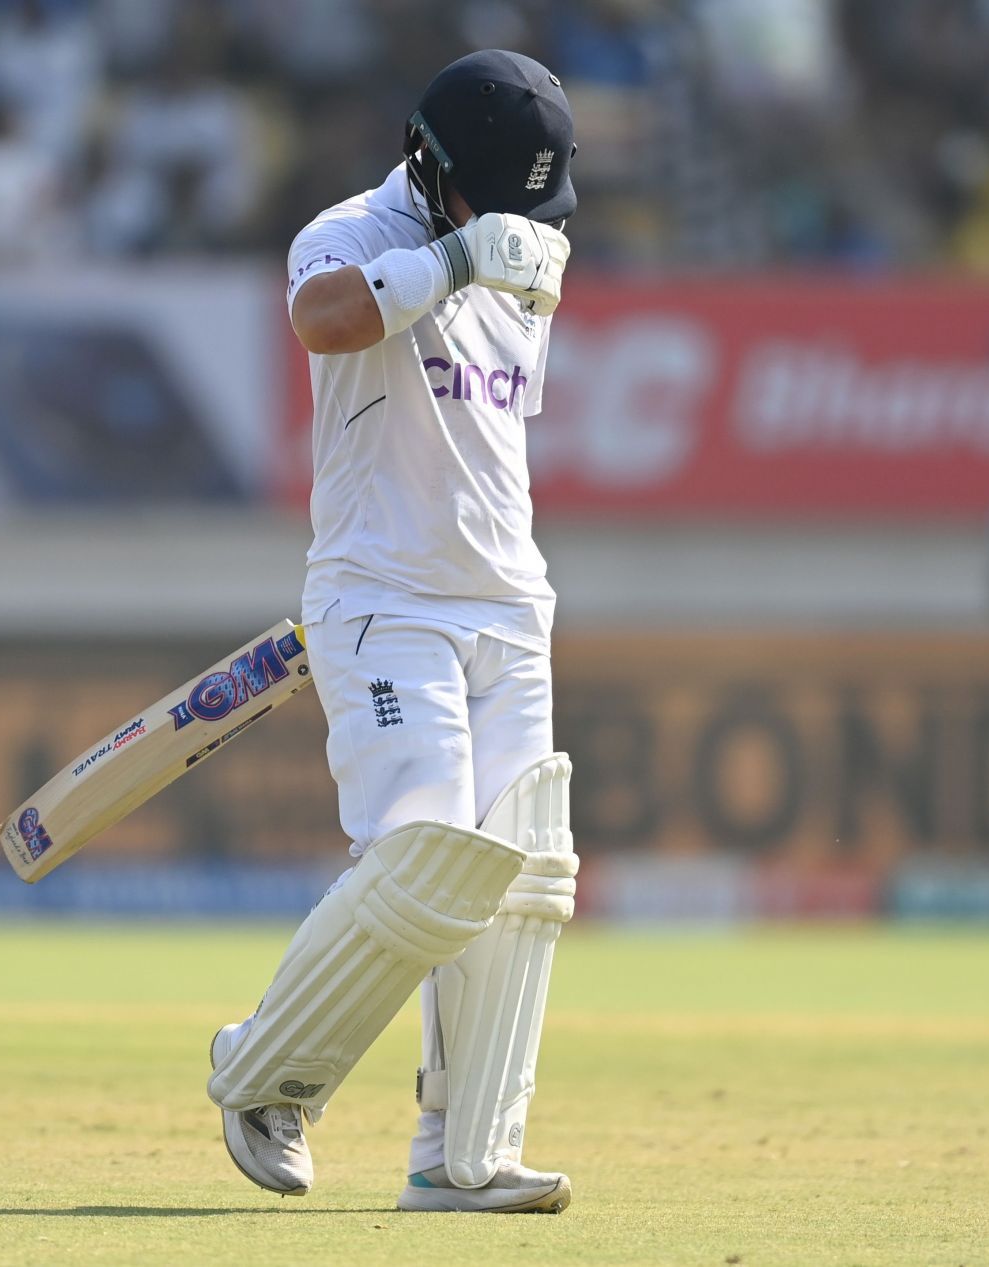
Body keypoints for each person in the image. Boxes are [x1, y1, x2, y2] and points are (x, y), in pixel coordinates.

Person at [204, 50, 579, 1212]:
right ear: (431, 164)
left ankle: (459, 1154)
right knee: (422, 858)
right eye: (496, 205)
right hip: (385, 594)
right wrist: (454, 260)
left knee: (521, 878)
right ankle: (265, 1072)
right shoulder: (348, 231)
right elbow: (320, 324)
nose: (518, 227)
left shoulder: (529, 258)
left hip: (509, 602)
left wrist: (495, 251)